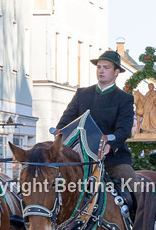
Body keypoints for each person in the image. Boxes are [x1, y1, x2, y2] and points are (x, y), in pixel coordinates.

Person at [57, 50, 137, 192]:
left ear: (116, 71)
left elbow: (123, 130)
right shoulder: (82, 94)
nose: (101, 71)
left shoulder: (124, 98)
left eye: (106, 68)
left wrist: (110, 145)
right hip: (80, 158)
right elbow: (66, 119)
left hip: (113, 160)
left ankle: (145, 214)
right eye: (99, 67)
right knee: (50, 182)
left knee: (135, 188)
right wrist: (59, 133)